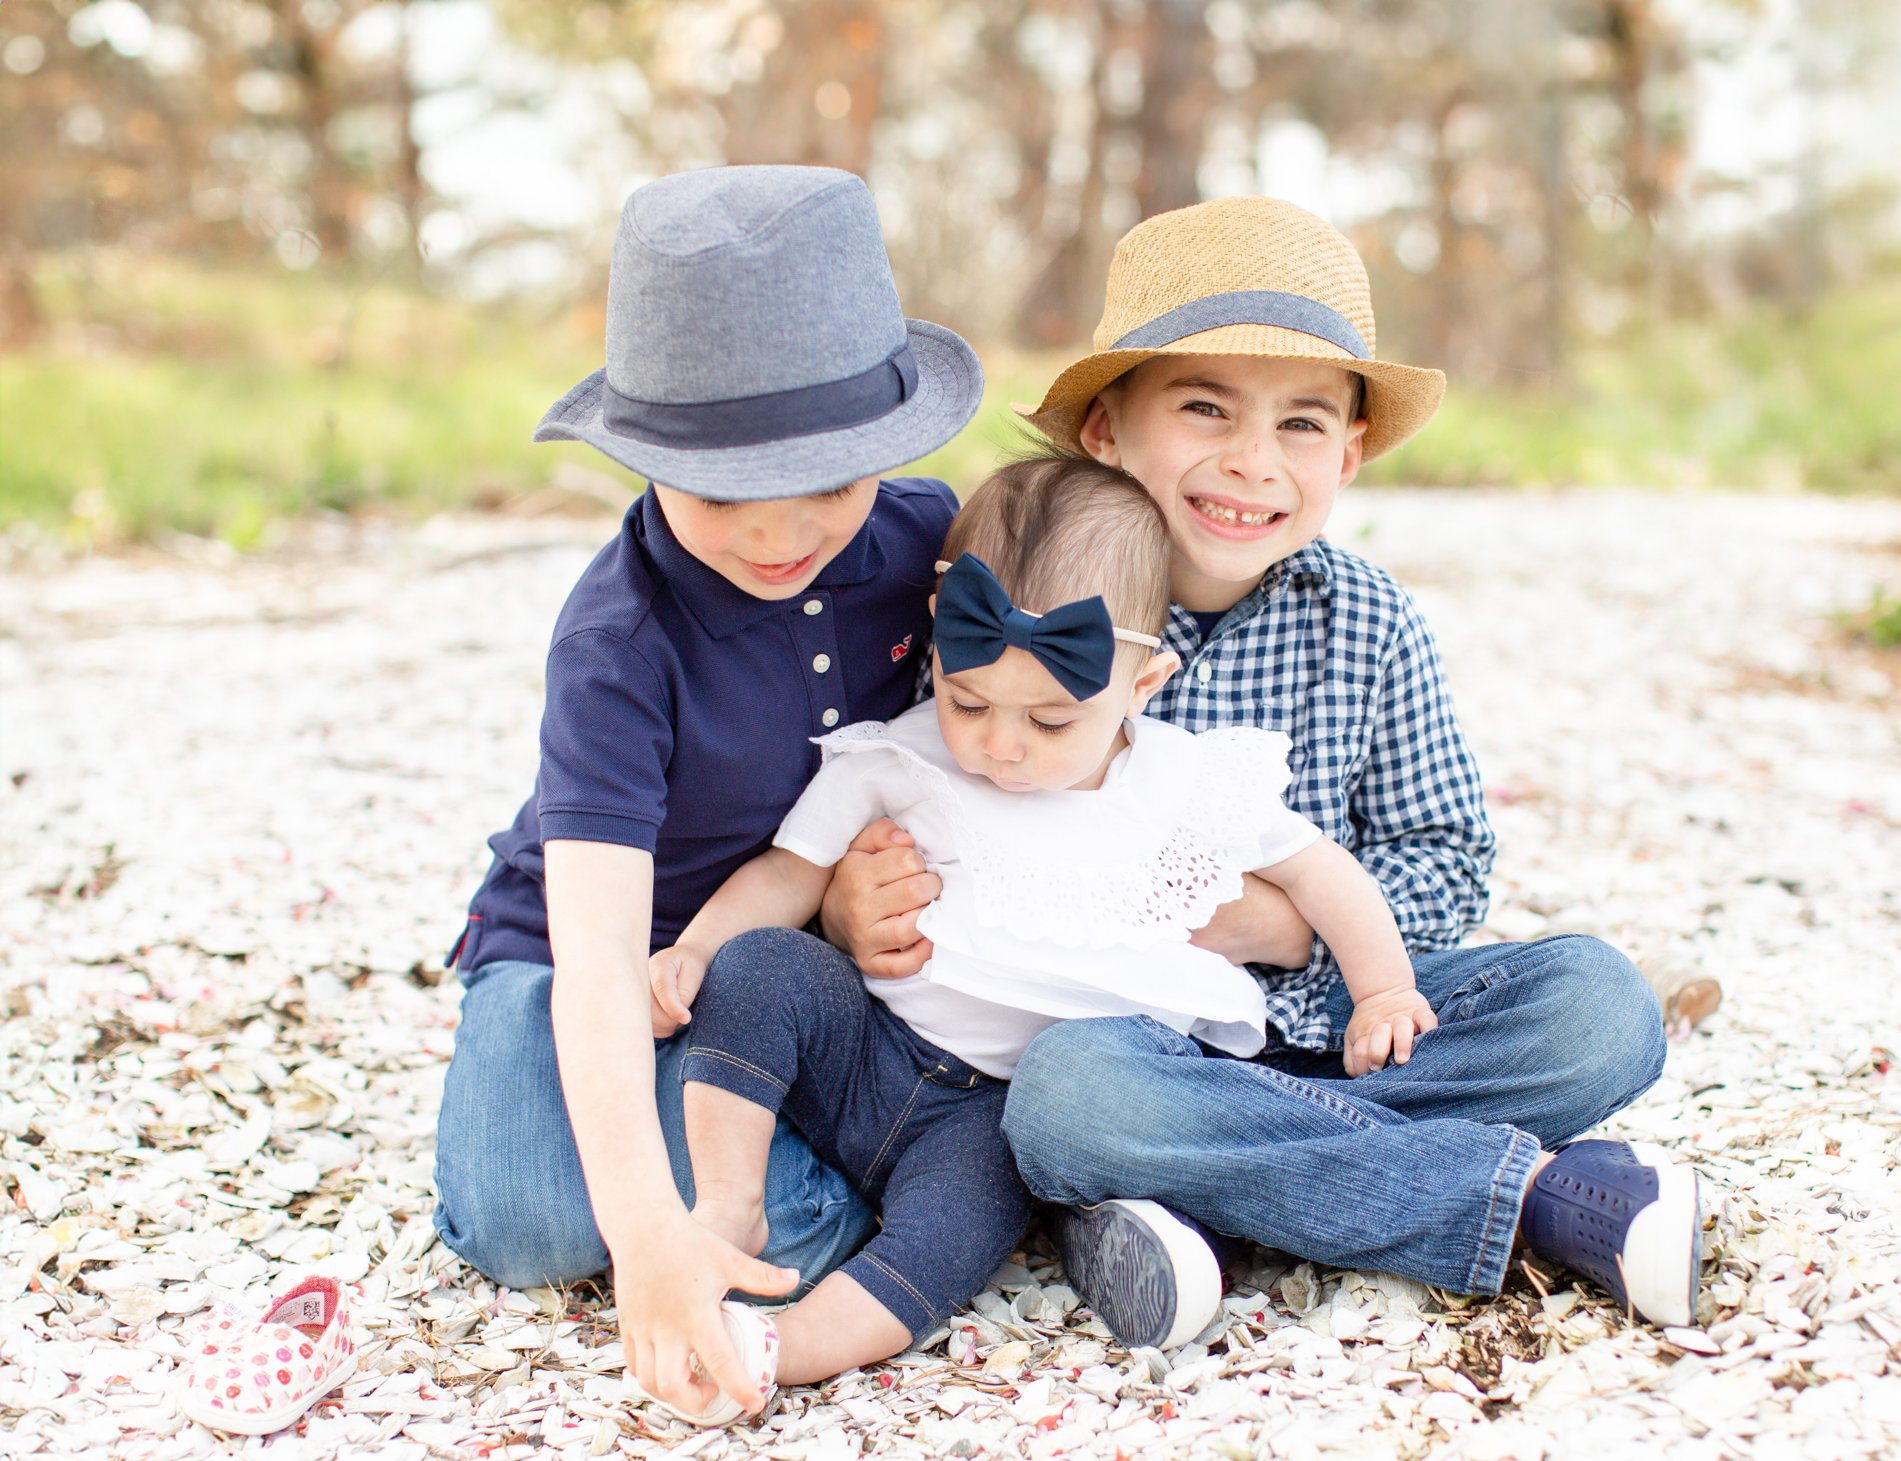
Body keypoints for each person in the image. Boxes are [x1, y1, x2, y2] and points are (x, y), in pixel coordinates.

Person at [821, 195, 1702, 1351]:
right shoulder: (1014, 581)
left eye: (1299, 425)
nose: (1251, 461)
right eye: (1203, 408)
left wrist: (1271, 927)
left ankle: (1200, 1198)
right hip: (1098, 1033)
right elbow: (909, 783)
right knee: (1070, 1097)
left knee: (1599, 1009)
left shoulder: (1365, 621)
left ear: (1344, 455)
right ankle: (1522, 1195)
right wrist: (848, 902)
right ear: (1104, 429)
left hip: (1332, 1017)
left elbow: (1443, 866)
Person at [647, 458, 1442, 1419]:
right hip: (870, 1046)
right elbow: (788, 874)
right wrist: (693, 948)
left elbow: (1327, 875)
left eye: (1051, 718)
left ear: (1144, 683)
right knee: (763, 964)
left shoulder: (1182, 779)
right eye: (970, 701)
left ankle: (789, 1345)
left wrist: (1386, 990)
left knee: (959, 1226)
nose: (1001, 745)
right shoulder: (898, 755)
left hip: (1002, 1116)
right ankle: (727, 1205)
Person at [429, 165, 985, 1415]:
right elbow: (597, 956)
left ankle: (735, 1147)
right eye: (727, 491)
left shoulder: (924, 543)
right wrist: (645, 1234)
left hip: (789, 963)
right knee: (531, 1230)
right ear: (644, 456)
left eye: (831, 482)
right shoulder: (617, 641)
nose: (781, 534)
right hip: (586, 946)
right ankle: (701, 1153)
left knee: (745, 1216)